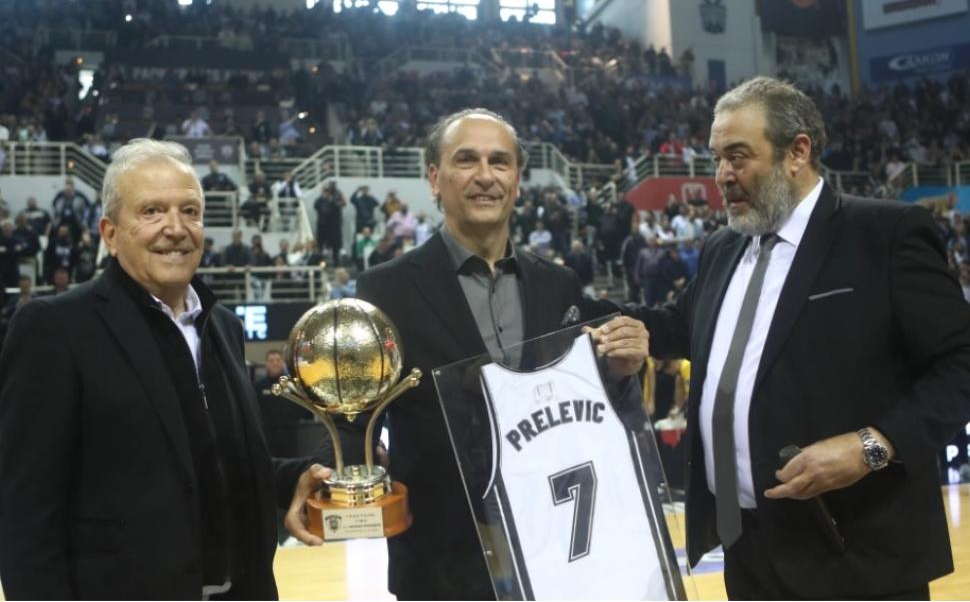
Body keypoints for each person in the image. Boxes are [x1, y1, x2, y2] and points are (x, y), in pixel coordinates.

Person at [632, 77, 970, 599]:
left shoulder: (885, 233)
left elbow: (960, 363)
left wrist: (871, 445)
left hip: (858, 557)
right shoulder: (724, 247)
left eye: (738, 156)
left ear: (798, 151)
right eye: (717, 158)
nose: (722, 175)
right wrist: (570, 306)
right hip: (748, 551)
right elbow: (677, 326)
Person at [337, 108, 649, 600]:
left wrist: (618, 372)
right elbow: (354, 419)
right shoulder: (385, 289)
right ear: (435, 179)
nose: (485, 176)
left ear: (517, 181)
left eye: (500, 162)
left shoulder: (559, 284)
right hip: (441, 564)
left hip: (554, 553)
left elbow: (578, 409)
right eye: (467, 160)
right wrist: (338, 470)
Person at [0, 139, 329, 599]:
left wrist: (292, 479)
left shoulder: (224, 326)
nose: (175, 228)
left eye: (189, 211)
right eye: (152, 211)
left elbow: (208, 459)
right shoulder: (55, 327)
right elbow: (26, 510)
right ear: (110, 233)